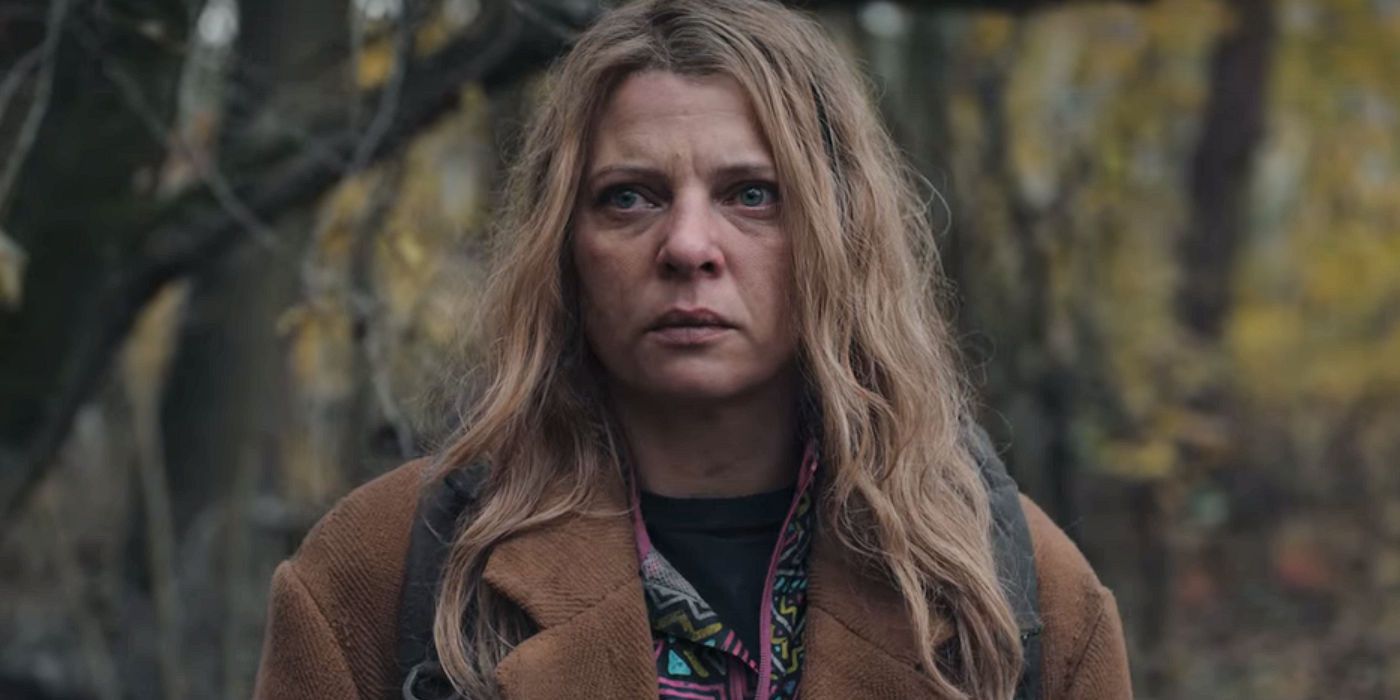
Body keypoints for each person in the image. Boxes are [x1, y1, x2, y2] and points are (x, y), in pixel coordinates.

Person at [253, 0, 1132, 698]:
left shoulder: (1017, 596)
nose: (686, 245)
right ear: (563, 245)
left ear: (840, 237)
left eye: (752, 194)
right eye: (629, 197)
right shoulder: (379, 577)